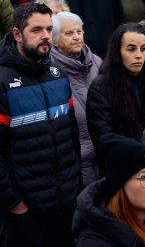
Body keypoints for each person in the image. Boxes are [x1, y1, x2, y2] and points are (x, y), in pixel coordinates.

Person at [0, 2, 82, 247]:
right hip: (25, 212)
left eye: (48, 29)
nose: (45, 36)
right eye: (36, 30)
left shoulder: (57, 74)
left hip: (64, 204)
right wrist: (12, 202)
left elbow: (71, 136)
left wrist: (75, 186)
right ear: (17, 34)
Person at [87, 23, 145, 148]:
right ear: (118, 51)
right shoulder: (101, 87)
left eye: (143, 48)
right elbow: (103, 136)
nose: (139, 55)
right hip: (124, 161)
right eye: (131, 49)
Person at [49, 11, 101, 186]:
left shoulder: (97, 62)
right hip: (74, 155)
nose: (77, 37)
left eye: (79, 32)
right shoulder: (49, 71)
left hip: (103, 148)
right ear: (54, 40)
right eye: (69, 33)